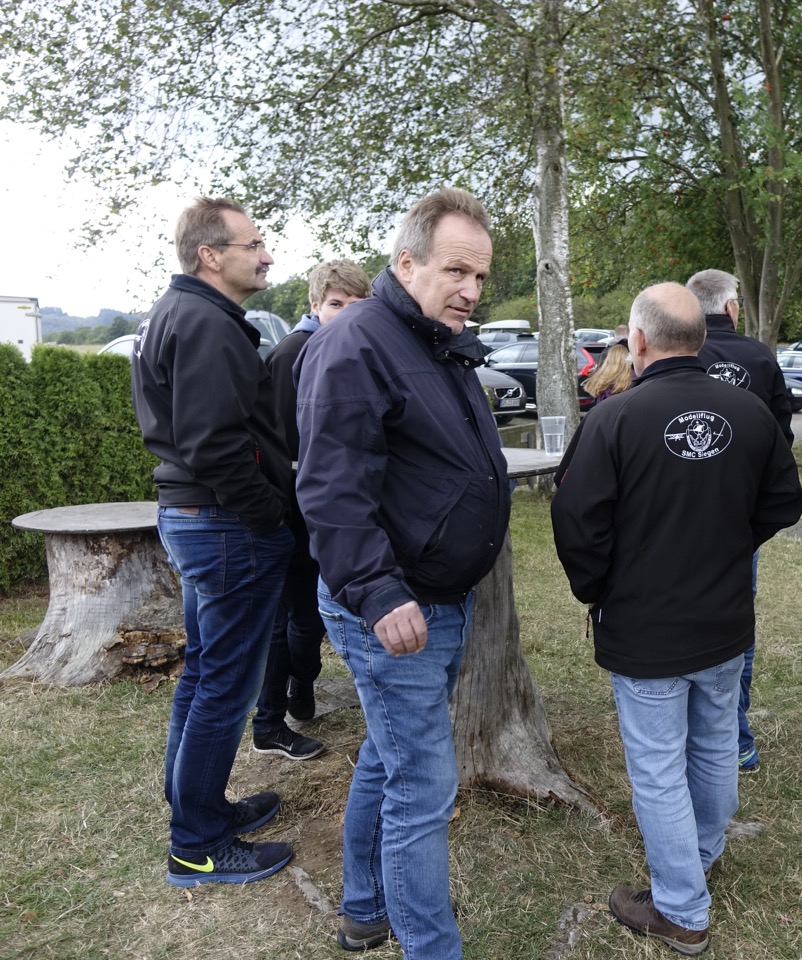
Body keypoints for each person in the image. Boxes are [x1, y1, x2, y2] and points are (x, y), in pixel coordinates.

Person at [551, 282, 802, 955]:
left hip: (648, 627)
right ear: (701, 336)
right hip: (723, 620)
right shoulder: (750, 412)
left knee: (660, 766)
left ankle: (682, 908)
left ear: (637, 340)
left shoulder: (612, 418)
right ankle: (700, 856)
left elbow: (576, 521)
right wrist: (728, 544)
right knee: (714, 742)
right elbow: (782, 501)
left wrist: (597, 589)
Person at [294, 188, 510, 957]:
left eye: (480, 277)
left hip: (438, 599)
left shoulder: (432, 338)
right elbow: (330, 488)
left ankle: (364, 906)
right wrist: (379, 591)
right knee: (423, 786)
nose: (471, 291)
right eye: (457, 271)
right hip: (394, 604)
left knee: (390, 759)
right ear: (407, 262)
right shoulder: (357, 342)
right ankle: (429, 947)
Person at [131, 197, 297, 886]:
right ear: (210, 255)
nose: (266, 256)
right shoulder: (204, 321)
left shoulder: (180, 312)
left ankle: (197, 806)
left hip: (199, 518)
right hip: (225, 525)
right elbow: (214, 445)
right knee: (225, 686)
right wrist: (269, 516)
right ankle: (196, 844)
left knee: (205, 674)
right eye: (253, 244)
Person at [251, 259, 371, 761]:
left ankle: (301, 683)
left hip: (338, 508)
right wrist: (285, 509)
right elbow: (279, 443)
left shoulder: (356, 348)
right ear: (315, 304)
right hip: (298, 509)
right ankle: (272, 716)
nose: (346, 314)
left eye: (356, 305)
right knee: (294, 617)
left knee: (310, 614)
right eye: (336, 304)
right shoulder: (293, 352)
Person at [686, 268, 793, 774]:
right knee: (735, 621)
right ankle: (735, 737)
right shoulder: (760, 357)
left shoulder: (675, 353)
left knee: (677, 616)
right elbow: (781, 442)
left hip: (673, 514)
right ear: (731, 308)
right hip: (739, 519)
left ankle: (691, 729)